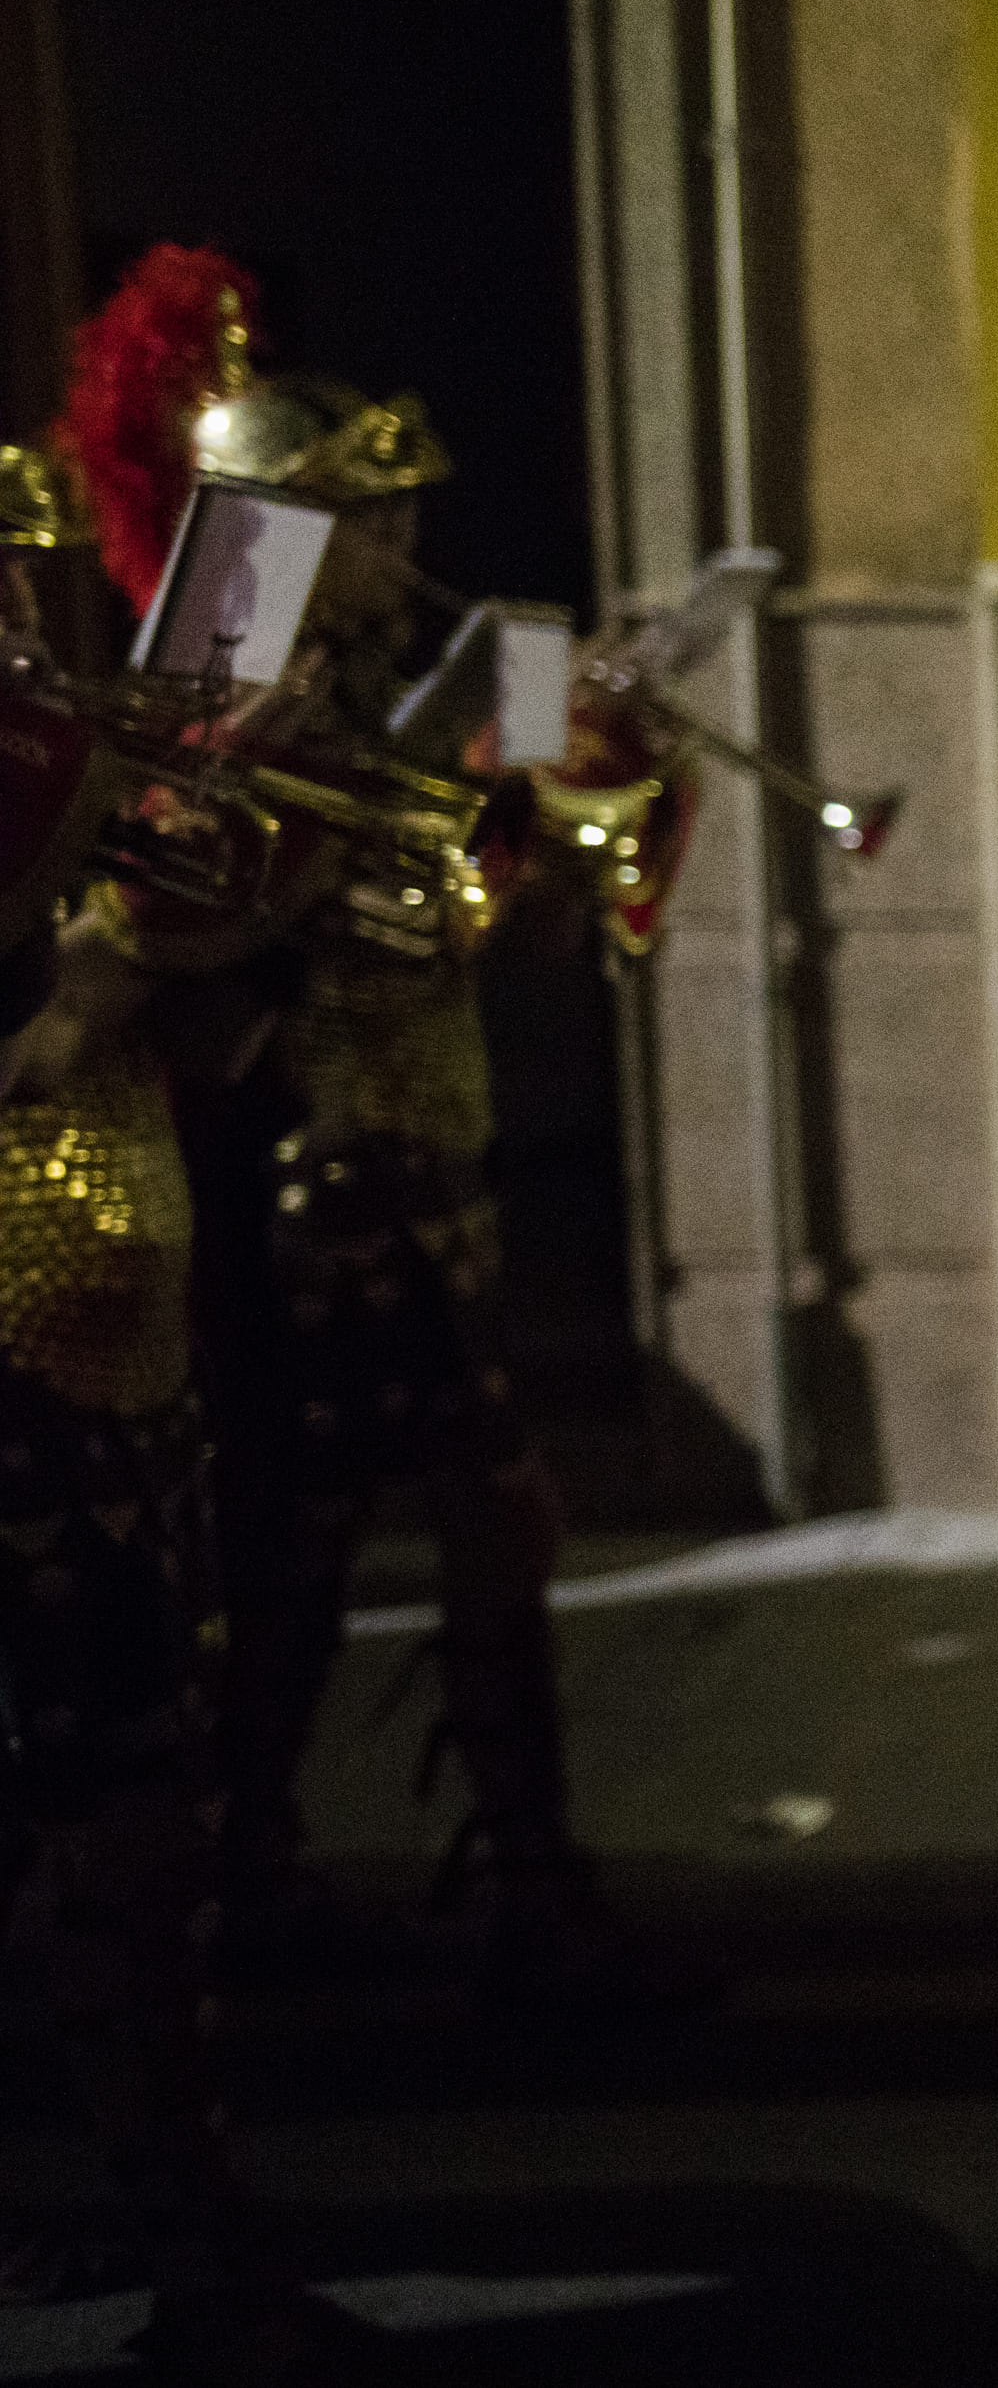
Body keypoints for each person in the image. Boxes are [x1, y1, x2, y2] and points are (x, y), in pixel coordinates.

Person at [57, 244, 678, 2015]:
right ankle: (312, 1881)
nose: (404, 546)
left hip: (432, 1154)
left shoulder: (413, 689)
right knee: (328, 1536)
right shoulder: (225, 691)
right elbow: (173, 932)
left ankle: (462, 1878)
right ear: (287, 536)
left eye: (401, 515)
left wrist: (579, 764)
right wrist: (319, 810)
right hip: (309, 1173)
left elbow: (515, 926)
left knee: (429, 1525)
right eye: (367, 518)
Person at [0, 438, 392, 2382]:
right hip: (22, 1371)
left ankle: (182, 2221)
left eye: (20, 583)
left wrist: (257, 843)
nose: (19, 624)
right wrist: (96, 946)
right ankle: (181, 2233)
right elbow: (50, 1035)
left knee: (142, 1808)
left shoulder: (46, 778)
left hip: (122, 1343)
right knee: (114, 1820)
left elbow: (214, 1034)